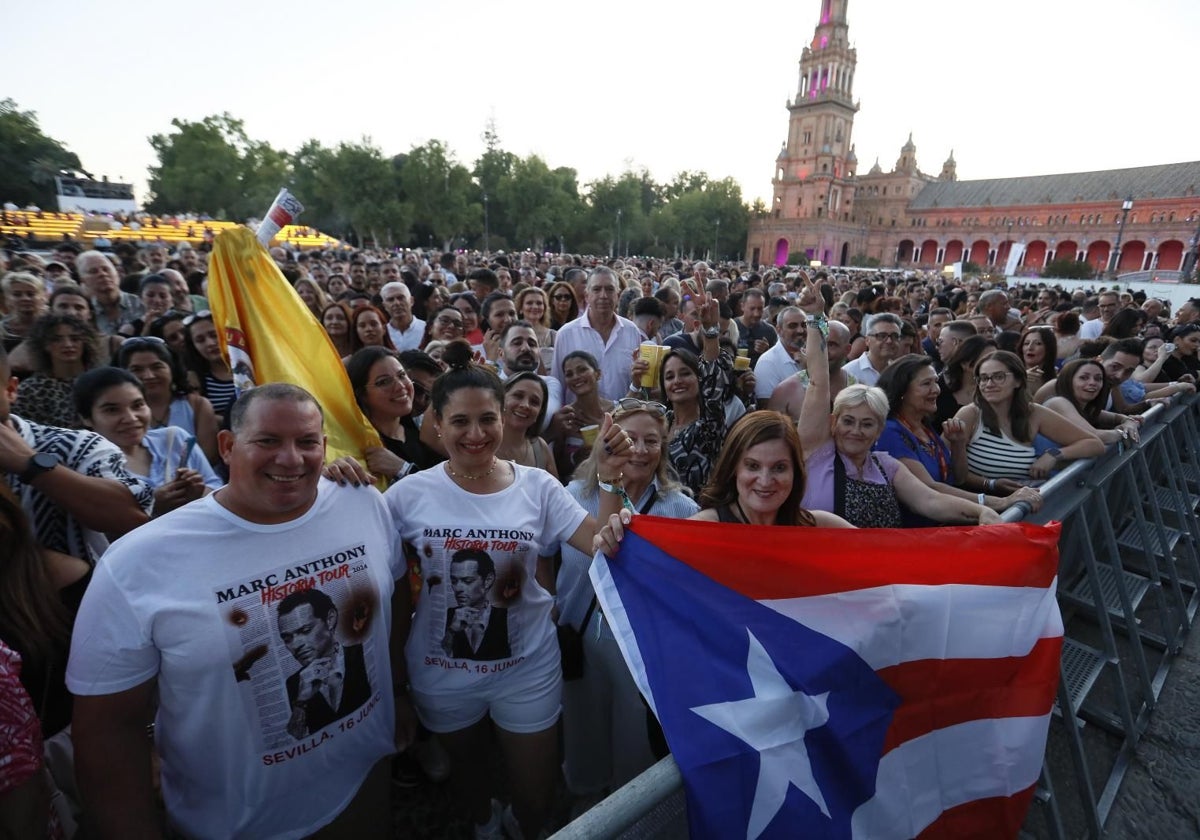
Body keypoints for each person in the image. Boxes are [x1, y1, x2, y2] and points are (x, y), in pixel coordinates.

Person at [68, 384, 410, 839]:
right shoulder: (137, 563)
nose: (290, 459)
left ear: (324, 447)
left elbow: (397, 592)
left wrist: (400, 689)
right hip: (234, 824)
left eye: (306, 442)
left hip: (364, 778)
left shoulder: (363, 503)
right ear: (227, 447)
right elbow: (107, 730)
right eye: (267, 441)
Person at [379, 339, 633, 840]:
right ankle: (484, 824)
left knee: (536, 799)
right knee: (470, 784)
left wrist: (608, 479)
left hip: (528, 669)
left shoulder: (536, 486)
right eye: (460, 422)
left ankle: (520, 826)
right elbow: (388, 591)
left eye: (487, 420)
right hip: (440, 672)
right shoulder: (407, 496)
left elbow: (603, 545)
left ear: (503, 419)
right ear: (435, 423)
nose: (476, 435)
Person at [556, 398, 699, 804]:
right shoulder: (570, 496)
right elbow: (540, 556)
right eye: (627, 438)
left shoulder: (682, 509)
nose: (638, 449)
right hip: (580, 642)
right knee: (583, 739)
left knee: (633, 745)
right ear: (605, 442)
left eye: (650, 441)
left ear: (663, 448)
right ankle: (582, 812)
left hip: (642, 651)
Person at [796, 288, 1000, 528]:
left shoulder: (886, 466)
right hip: (822, 562)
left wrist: (982, 512)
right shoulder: (818, 454)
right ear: (833, 422)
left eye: (867, 423)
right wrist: (815, 318)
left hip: (878, 564)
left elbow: (930, 500)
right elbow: (818, 382)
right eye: (848, 421)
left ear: (879, 429)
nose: (856, 430)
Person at [1, 344, 153, 565]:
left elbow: (132, 517)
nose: (130, 418)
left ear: (11, 390)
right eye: (112, 409)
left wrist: (32, 465)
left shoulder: (75, 447)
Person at [876, 354, 1042, 525]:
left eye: (935, 381)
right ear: (902, 391)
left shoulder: (924, 427)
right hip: (918, 537)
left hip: (946, 525)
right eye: (926, 384)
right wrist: (1001, 502)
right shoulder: (891, 432)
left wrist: (958, 444)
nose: (936, 389)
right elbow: (929, 489)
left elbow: (959, 478)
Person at [946, 350, 1105, 487]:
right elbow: (947, 466)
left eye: (998, 377)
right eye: (983, 378)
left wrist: (1054, 454)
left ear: (1018, 381)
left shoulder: (1034, 413)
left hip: (1026, 507)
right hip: (985, 507)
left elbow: (1094, 444)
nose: (989, 384)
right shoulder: (970, 414)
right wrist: (991, 484)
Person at [73, 367, 220, 515]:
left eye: (137, 405)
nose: (131, 418)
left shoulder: (175, 439)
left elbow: (217, 488)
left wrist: (196, 493)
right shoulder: (87, 468)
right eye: (112, 410)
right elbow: (100, 529)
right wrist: (150, 508)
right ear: (86, 418)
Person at [660, 296, 733, 497]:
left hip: (697, 517)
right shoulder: (661, 421)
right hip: (659, 515)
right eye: (669, 376)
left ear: (699, 378)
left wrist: (710, 331)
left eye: (685, 373)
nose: (677, 381)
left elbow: (712, 378)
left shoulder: (708, 424)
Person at [278, 587, 373, 739]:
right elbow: (295, 738)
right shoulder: (295, 684)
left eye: (305, 630)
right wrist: (301, 702)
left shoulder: (361, 654)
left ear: (330, 619)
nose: (296, 645)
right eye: (288, 639)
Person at [118, 336, 219, 465]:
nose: (149, 376)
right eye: (137, 370)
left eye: (157, 367)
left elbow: (208, 457)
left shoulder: (198, 405)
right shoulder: (122, 414)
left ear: (172, 368)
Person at [346, 346, 439, 484]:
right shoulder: (357, 446)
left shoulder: (422, 435)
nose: (400, 386)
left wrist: (403, 470)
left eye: (402, 375)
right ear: (362, 395)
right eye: (384, 382)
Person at [552, 268, 643, 404]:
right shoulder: (566, 334)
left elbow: (637, 382)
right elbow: (557, 386)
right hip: (579, 422)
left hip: (623, 421)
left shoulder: (631, 331)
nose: (603, 295)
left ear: (618, 294)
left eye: (609, 289)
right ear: (586, 295)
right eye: (596, 289)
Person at [13, 314, 100, 429]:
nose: (68, 345)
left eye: (75, 339)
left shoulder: (101, 382)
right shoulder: (30, 390)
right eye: (56, 340)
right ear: (44, 345)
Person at [1042, 358, 1143, 447]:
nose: (1092, 383)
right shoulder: (1058, 403)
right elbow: (1095, 435)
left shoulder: (1085, 408)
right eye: (1084, 378)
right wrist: (1122, 432)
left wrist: (1129, 423)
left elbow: (1118, 417)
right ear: (1068, 381)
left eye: (1098, 379)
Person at [443, 550, 511, 660]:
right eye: (454, 581)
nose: (458, 588)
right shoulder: (448, 615)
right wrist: (451, 632)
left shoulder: (505, 616)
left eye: (467, 581)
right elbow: (437, 657)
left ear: (488, 580)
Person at [182, 310, 236, 423]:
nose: (210, 343)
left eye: (214, 335)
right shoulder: (195, 380)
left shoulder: (252, 368)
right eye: (200, 340)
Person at [842, 312, 903, 386]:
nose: (889, 341)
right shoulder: (850, 372)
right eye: (882, 336)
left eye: (894, 336)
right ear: (867, 340)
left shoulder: (899, 372)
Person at [381, 282, 425, 351]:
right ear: (385, 306)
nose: (396, 303)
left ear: (411, 301)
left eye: (401, 298)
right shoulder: (382, 333)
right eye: (390, 300)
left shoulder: (427, 329)